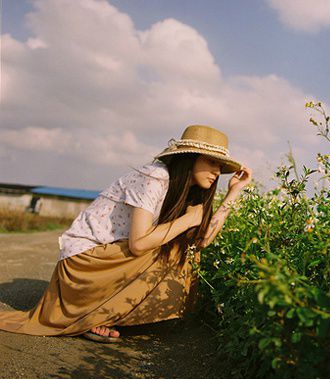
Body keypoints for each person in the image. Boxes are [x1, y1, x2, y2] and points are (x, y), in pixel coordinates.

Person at [0, 125, 252, 343]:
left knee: (185, 248)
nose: (217, 171)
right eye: (211, 162)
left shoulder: (184, 190)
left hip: (108, 263)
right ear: (191, 158)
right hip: (83, 264)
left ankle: (106, 312)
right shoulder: (155, 177)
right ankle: (97, 313)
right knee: (171, 246)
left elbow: (202, 241)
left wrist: (233, 194)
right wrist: (187, 220)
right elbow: (139, 244)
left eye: (220, 165)